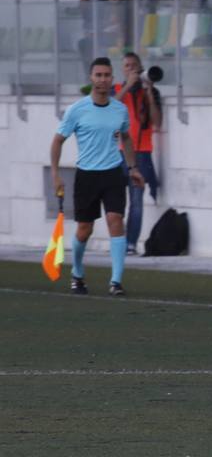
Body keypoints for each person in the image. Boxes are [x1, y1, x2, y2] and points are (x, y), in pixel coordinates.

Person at [49, 58, 142, 296]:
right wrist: (56, 174)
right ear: (91, 78)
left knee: (115, 220)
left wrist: (133, 168)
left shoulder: (119, 109)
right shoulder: (77, 109)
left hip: (112, 173)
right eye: (98, 75)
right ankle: (77, 274)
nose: (103, 79)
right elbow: (58, 140)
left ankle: (116, 281)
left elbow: (127, 138)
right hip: (87, 176)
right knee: (84, 229)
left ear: (112, 79)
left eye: (107, 75)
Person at [116, 53, 163, 256]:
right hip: (118, 152)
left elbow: (157, 122)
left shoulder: (151, 91)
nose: (131, 69)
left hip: (142, 153)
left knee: (136, 201)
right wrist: (128, 86)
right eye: (127, 66)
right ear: (123, 69)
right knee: (117, 202)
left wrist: (150, 95)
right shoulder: (117, 89)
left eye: (135, 66)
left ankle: (131, 243)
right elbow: (107, 108)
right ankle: (118, 240)